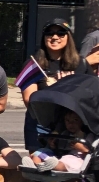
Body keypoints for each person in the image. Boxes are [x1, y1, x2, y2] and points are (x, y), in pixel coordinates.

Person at [22, 19, 86, 151]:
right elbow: (30, 100)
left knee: (71, 162)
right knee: (39, 161)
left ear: (68, 37)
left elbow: (90, 92)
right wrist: (54, 89)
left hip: (72, 125)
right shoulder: (33, 65)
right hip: (41, 124)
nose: (55, 37)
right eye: (49, 33)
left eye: (61, 33)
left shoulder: (80, 63)